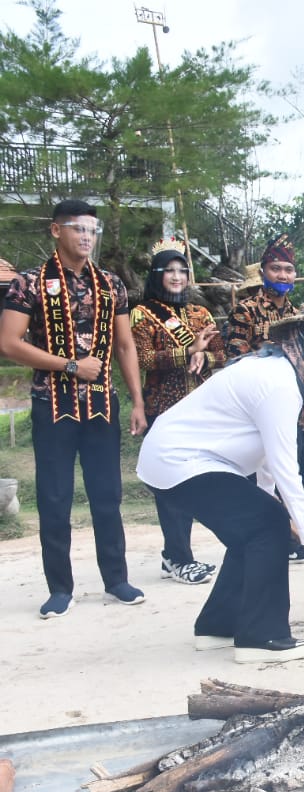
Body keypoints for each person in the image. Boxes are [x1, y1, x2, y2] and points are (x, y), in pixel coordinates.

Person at [138, 303, 304, 663]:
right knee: (267, 525)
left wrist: (277, 512)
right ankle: (261, 637)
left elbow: (268, 465)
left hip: (185, 460)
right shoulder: (277, 382)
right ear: (300, 341)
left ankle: (218, 627)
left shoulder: (282, 377)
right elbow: (286, 465)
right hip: (180, 459)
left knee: (257, 527)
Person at [0, 199, 149, 618]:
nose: (86, 237)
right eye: (77, 228)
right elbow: (9, 343)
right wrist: (69, 365)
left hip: (102, 405)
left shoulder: (110, 283)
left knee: (107, 496)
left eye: (91, 230)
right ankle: (59, 588)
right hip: (52, 405)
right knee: (54, 497)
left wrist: (137, 401)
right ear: (56, 231)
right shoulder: (28, 283)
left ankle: (116, 579)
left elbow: (124, 345)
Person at [224, 234, 304, 559]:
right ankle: (275, 536)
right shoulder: (245, 311)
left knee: (300, 466)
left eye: (288, 269)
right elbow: (235, 358)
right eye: (276, 268)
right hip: (258, 407)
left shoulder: (300, 316)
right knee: (264, 472)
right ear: (263, 272)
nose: (283, 275)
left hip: (294, 406)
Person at [130, 237, 225, 584]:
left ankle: (175, 555)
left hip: (200, 410)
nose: (176, 277)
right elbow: (141, 359)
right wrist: (187, 353)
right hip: (163, 409)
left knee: (194, 481)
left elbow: (221, 354)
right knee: (169, 483)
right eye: (169, 270)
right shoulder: (142, 314)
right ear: (157, 274)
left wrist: (204, 355)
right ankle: (180, 557)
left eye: (182, 270)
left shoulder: (201, 313)